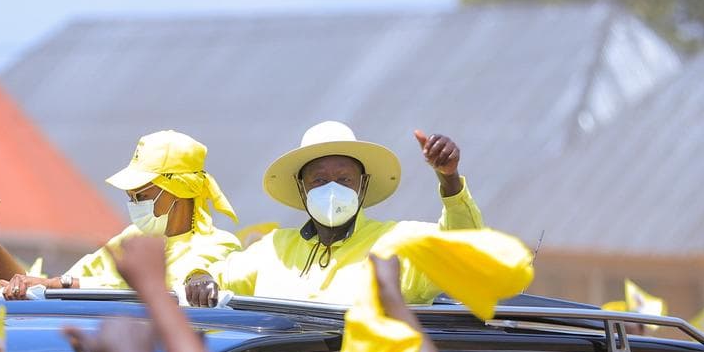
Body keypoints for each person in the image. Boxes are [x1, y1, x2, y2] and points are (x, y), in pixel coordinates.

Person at [185, 121, 483, 306]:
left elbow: (461, 250)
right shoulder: (273, 248)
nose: (332, 189)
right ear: (302, 189)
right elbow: (213, 273)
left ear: (362, 186)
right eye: (319, 180)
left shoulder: (398, 242)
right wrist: (198, 276)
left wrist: (449, 178)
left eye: (344, 180)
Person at [0, 130, 242, 297]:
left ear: (181, 189)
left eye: (142, 196)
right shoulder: (129, 239)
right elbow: (45, 292)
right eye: (130, 197)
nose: (134, 204)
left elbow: (155, 292)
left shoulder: (218, 245)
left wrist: (60, 284)